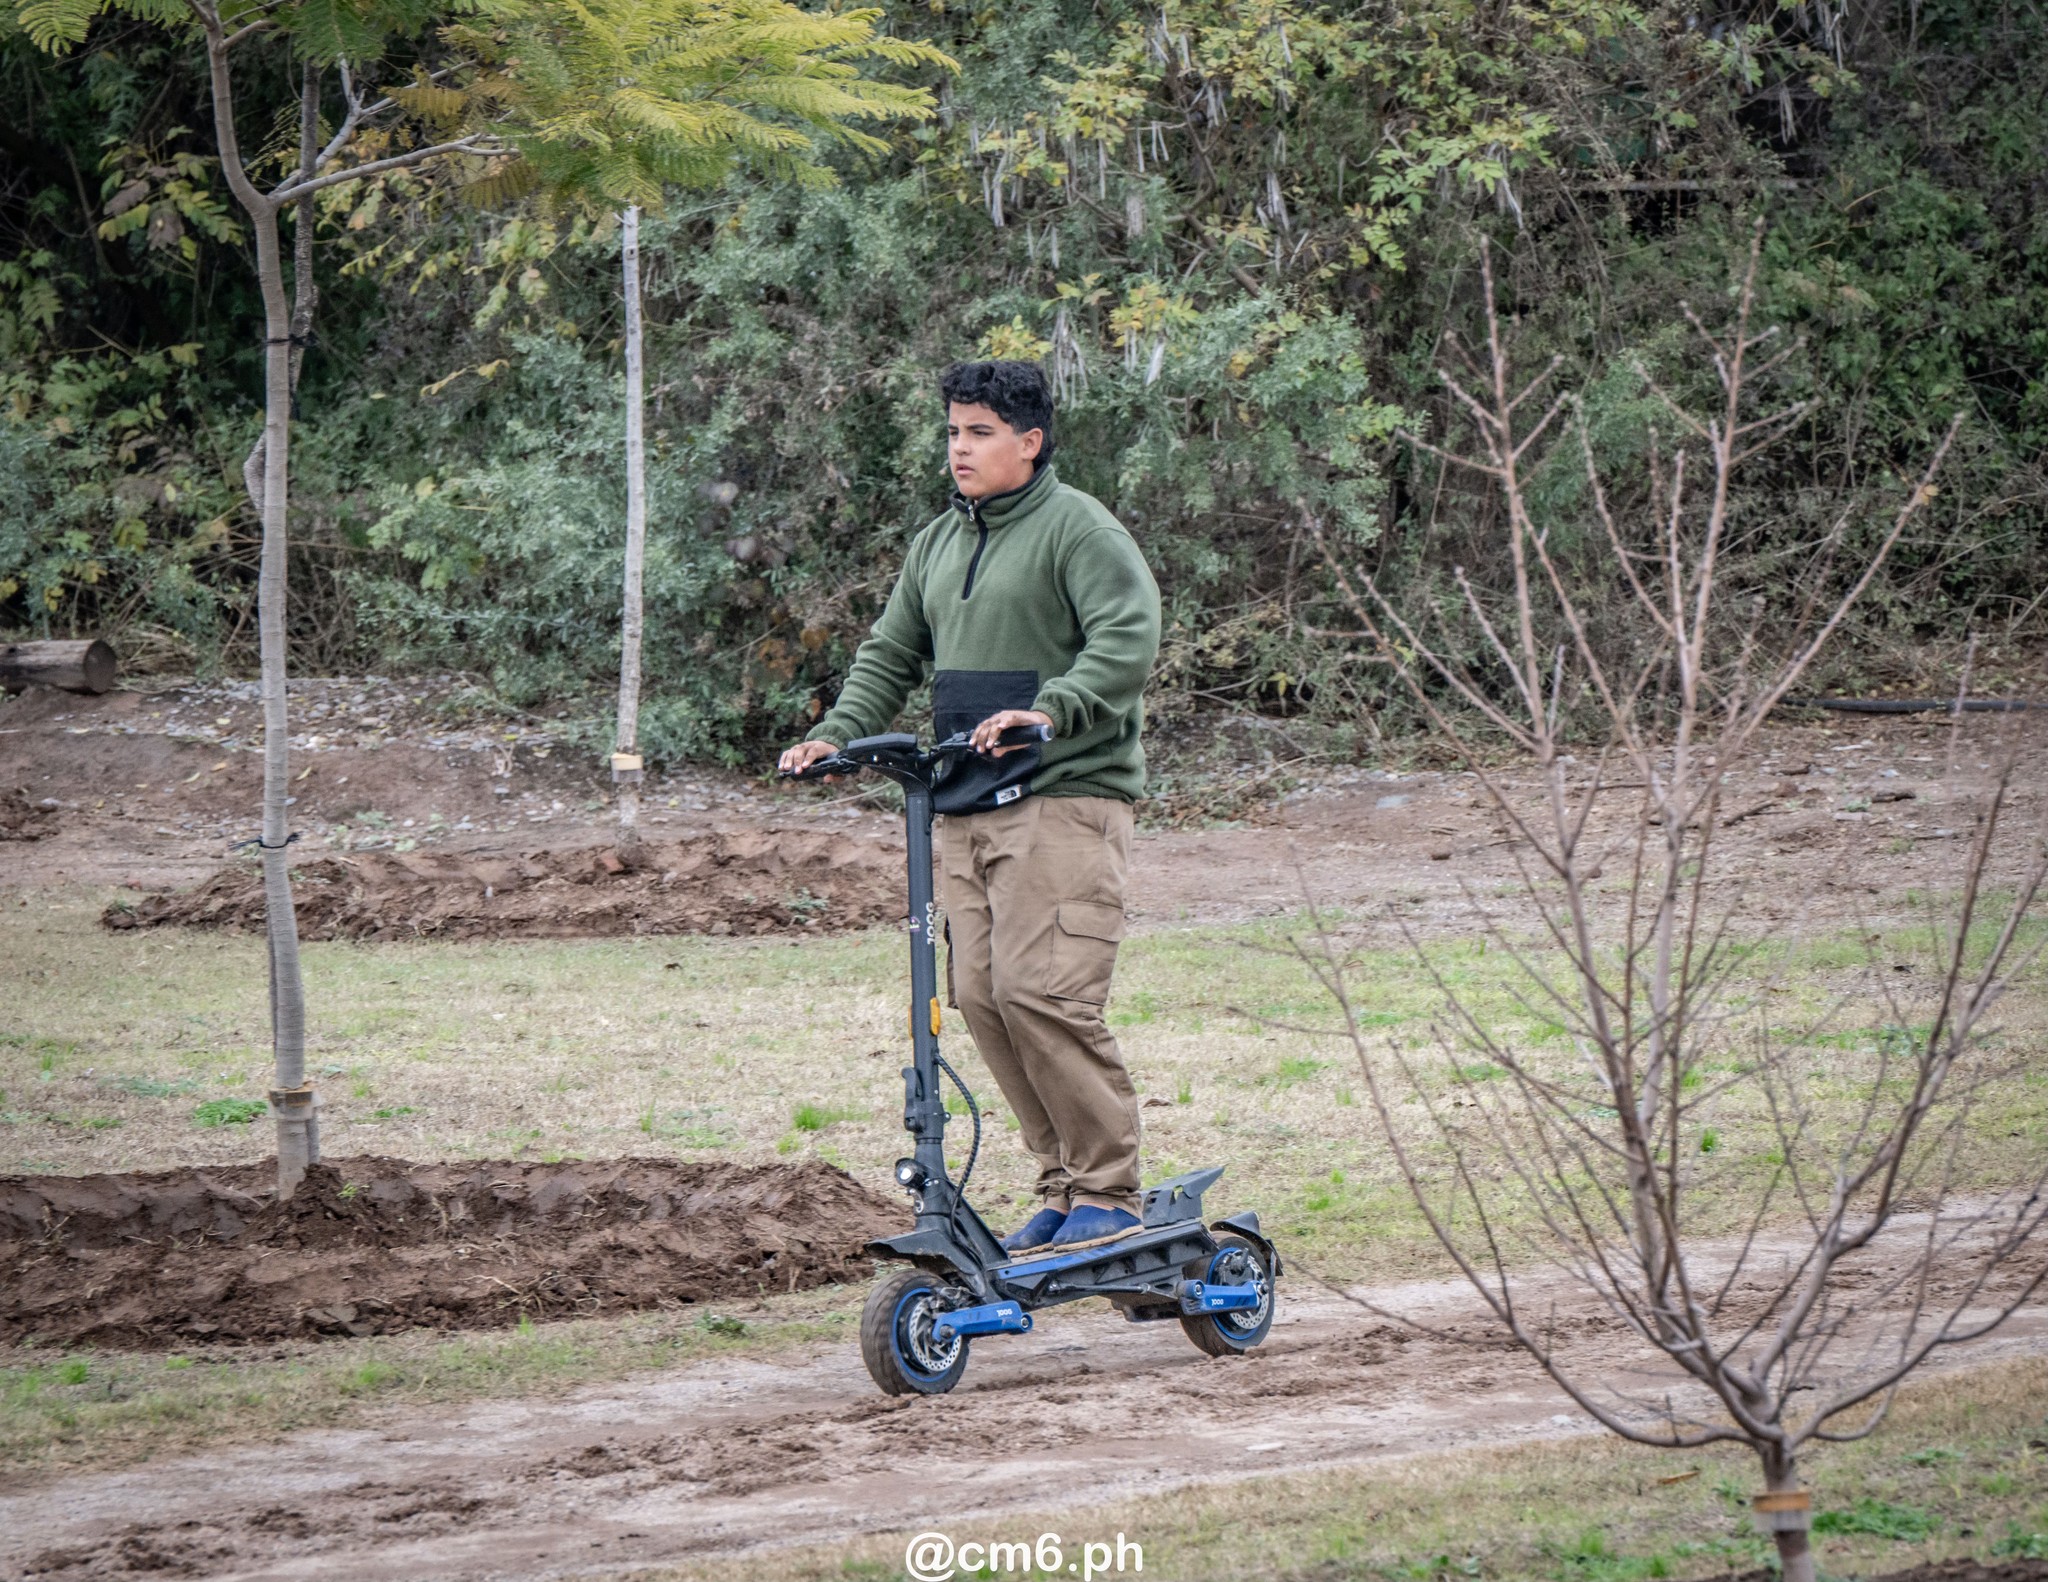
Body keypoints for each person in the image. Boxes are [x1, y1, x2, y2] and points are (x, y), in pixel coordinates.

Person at [778, 360, 1162, 1252]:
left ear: (1028, 443)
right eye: (953, 431)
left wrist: (1053, 707)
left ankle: (1109, 1189)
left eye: (979, 432)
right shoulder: (938, 543)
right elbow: (890, 652)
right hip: (964, 803)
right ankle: (1065, 1187)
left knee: (1045, 993)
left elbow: (1127, 638)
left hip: (1063, 797)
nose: (959, 448)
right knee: (984, 999)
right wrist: (838, 732)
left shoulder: (1080, 530)